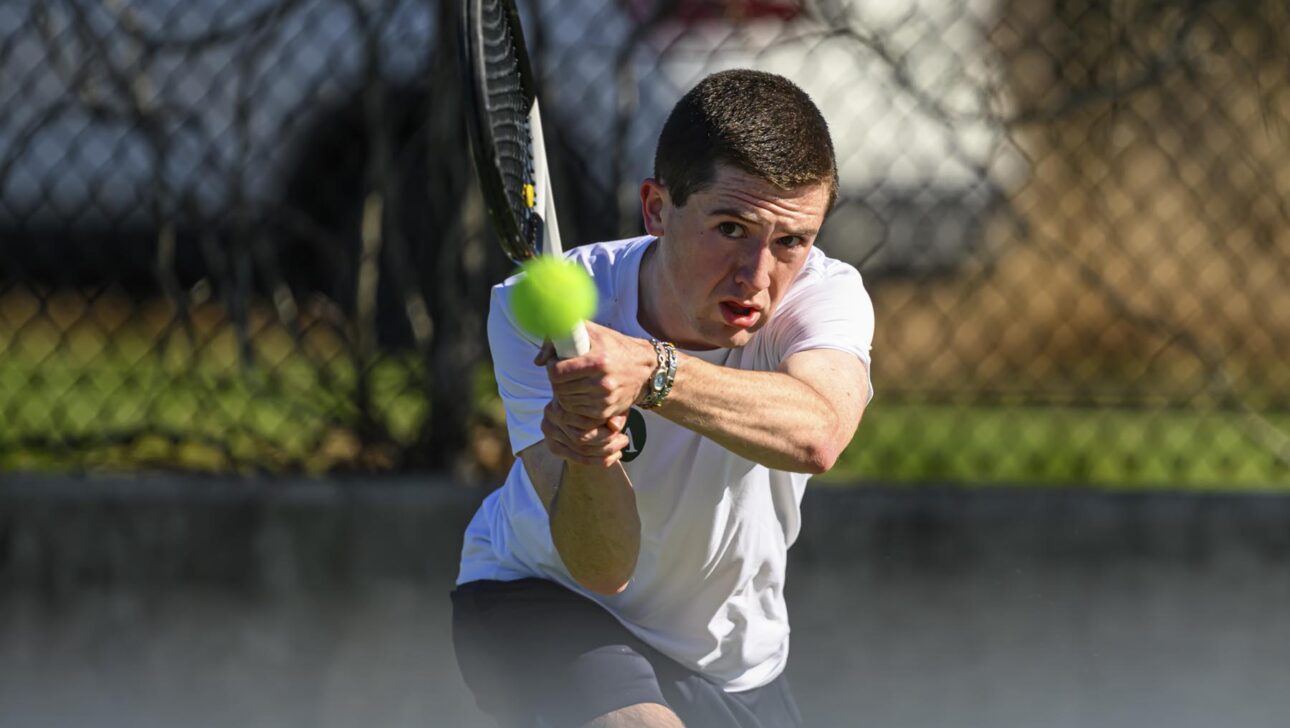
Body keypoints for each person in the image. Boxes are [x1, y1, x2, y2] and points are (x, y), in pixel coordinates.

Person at [452, 69, 874, 728]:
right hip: (544, 600)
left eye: (791, 240)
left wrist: (651, 370)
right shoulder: (539, 310)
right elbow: (602, 568)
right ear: (657, 208)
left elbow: (818, 434)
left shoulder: (824, 296)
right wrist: (591, 444)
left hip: (736, 662)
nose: (758, 275)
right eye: (731, 227)